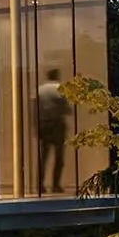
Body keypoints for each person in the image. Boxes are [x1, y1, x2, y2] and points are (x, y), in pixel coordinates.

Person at [34, 64, 71, 193]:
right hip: (57, 124)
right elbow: (67, 109)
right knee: (59, 156)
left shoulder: (40, 90)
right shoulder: (61, 89)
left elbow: (34, 109)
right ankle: (56, 184)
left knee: (43, 156)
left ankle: (40, 184)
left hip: (43, 124)